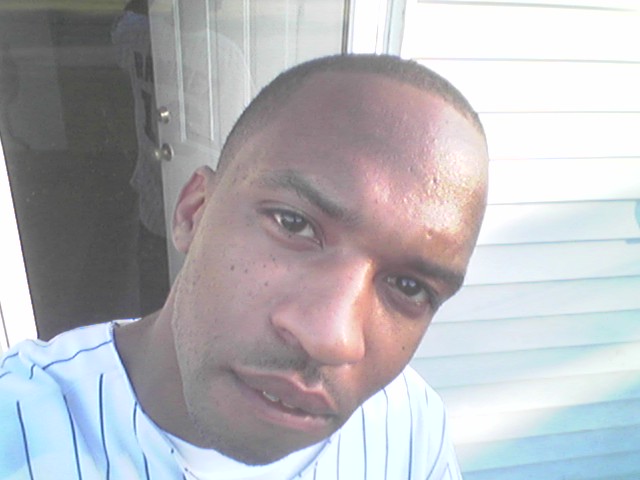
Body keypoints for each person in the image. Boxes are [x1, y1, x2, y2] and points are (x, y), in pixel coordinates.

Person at [0, 54, 488, 479]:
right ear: (193, 211)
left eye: (409, 286)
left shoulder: (409, 423)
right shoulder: (18, 424)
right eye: (294, 224)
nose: (331, 338)